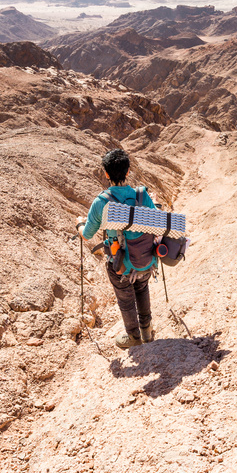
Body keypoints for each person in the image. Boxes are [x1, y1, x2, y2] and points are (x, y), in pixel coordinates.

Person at [78, 149, 156, 349]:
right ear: (128, 171)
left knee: (125, 299)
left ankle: (133, 337)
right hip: (145, 259)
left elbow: (87, 234)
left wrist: (79, 225)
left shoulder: (101, 202)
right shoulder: (141, 195)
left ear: (106, 173)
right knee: (142, 288)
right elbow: (156, 221)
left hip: (120, 263)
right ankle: (147, 332)